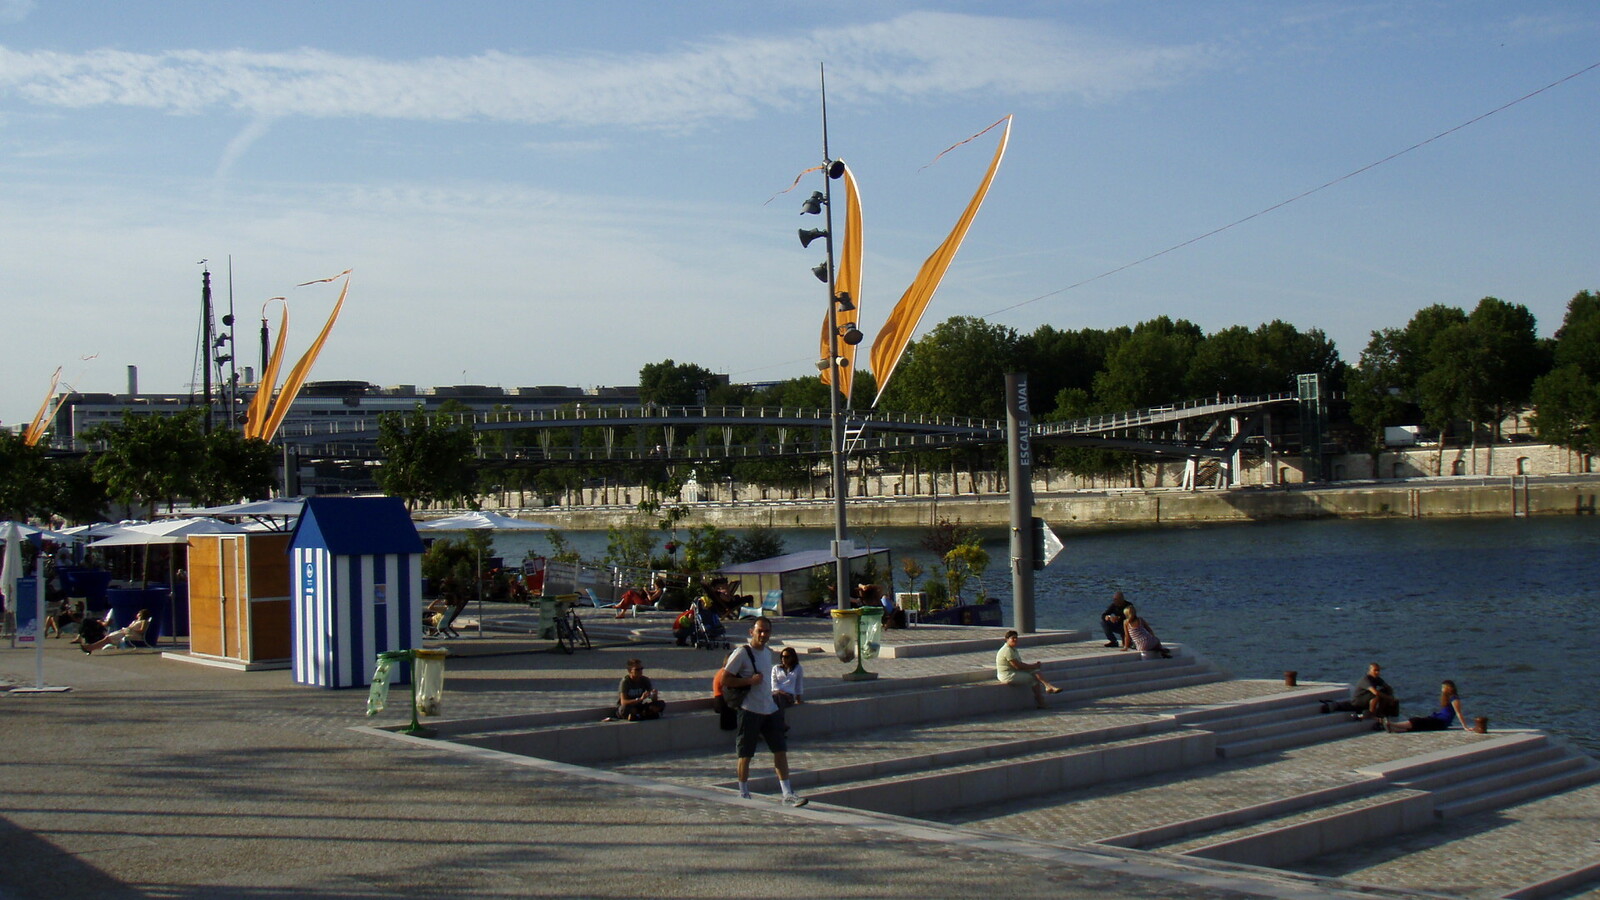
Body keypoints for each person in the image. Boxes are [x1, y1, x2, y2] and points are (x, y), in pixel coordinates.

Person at [721, 618, 807, 806]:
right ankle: (743, 792)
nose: (763, 635)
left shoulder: (767, 653)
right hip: (749, 709)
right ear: (752, 631)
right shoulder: (742, 653)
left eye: (766, 631)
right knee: (745, 753)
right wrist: (749, 681)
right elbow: (725, 680)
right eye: (760, 631)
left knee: (780, 750)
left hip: (769, 708)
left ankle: (787, 793)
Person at [995, 630, 1062, 709]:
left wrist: (1034, 667)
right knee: (1033, 678)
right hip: (1007, 675)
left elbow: (1019, 664)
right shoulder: (1007, 650)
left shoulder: (1013, 649)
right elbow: (1018, 666)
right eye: (1013, 638)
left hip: (1013, 671)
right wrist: (1033, 666)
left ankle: (1048, 687)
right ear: (1007, 639)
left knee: (1035, 671)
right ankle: (1041, 702)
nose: (1015, 640)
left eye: (1016, 638)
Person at [1388, 680, 1468, 733]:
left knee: (1417, 721)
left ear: (1448, 688)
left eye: (1443, 687)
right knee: (1420, 725)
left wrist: (1465, 727)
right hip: (1438, 719)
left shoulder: (1454, 698)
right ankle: (1395, 728)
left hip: (1441, 722)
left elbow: (1459, 713)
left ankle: (1393, 724)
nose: (1442, 689)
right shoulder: (1447, 698)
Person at [83, 608, 151, 652]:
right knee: (107, 639)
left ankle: (90, 647)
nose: (137, 614)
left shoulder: (144, 621)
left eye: (139, 613)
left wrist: (131, 630)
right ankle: (90, 647)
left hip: (131, 634)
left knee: (107, 639)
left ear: (141, 614)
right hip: (125, 632)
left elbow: (142, 631)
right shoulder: (135, 621)